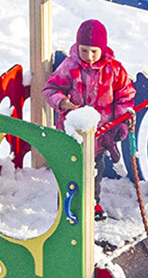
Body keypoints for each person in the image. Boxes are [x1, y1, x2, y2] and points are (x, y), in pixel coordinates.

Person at [43, 19, 136, 217]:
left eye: (94, 51)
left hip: (100, 136)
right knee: (70, 171)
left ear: (103, 48)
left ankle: (92, 204)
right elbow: (51, 88)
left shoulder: (114, 69)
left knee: (95, 171)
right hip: (72, 134)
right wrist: (62, 102)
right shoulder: (70, 66)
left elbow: (125, 95)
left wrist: (121, 119)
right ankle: (66, 205)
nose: (89, 56)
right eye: (84, 50)